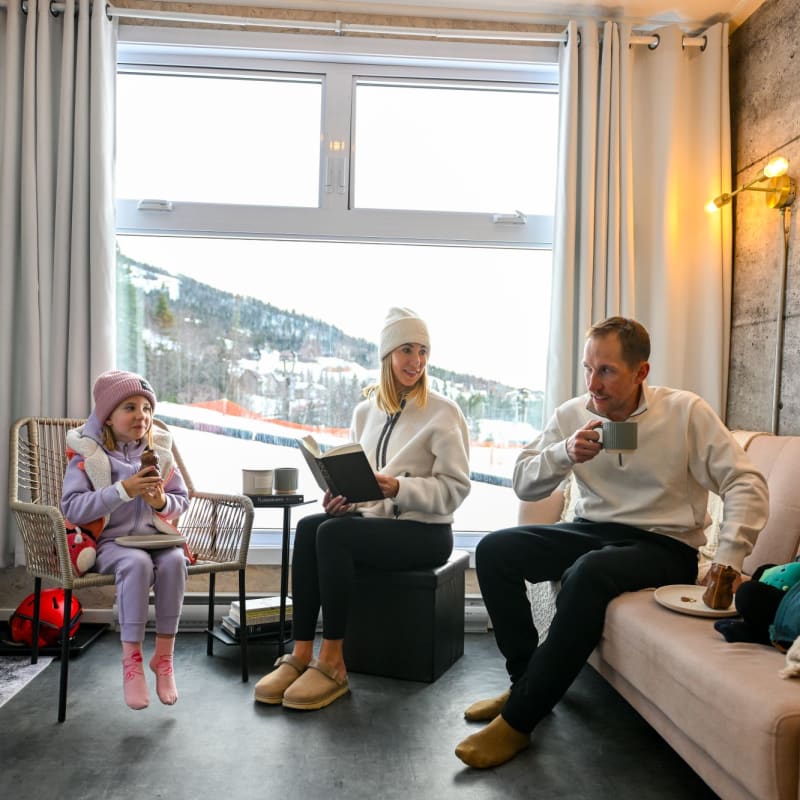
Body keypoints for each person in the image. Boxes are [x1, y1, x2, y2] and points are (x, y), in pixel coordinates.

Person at [455, 316, 769, 768]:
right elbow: (523, 482)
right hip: (593, 529)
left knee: (589, 572)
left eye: (606, 371)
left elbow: (745, 481)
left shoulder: (685, 412)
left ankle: (520, 720)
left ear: (641, 372)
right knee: (495, 550)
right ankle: (526, 682)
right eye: (588, 369)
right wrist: (565, 453)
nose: (593, 384)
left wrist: (728, 557)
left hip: (665, 543)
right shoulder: (574, 413)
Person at [255, 307, 471, 711]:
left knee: (334, 535)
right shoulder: (365, 412)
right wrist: (343, 499)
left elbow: (455, 489)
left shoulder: (444, 412)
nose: (417, 361)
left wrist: (399, 487)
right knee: (311, 527)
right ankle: (301, 653)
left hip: (425, 534)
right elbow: (364, 489)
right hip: (376, 525)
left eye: (423, 351)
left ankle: (334, 661)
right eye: (407, 349)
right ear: (387, 355)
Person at [61, 370, 190, 710]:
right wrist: (122, 490)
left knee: (176, 561)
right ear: (108, 415)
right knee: (135, 563)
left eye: (147, 408)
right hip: (110, 544)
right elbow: (72, 508)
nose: (141, 416)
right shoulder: (89, 457)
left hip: (155, 540)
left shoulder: (159, 453)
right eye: (130, 408)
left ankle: (163, 659)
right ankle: (131, 661)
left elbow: (182, 499)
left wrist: (161, 502)